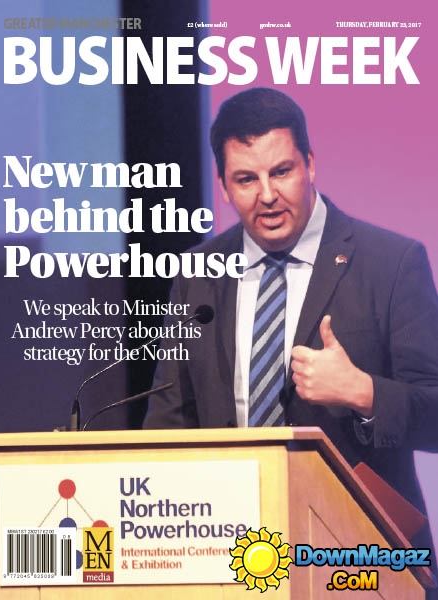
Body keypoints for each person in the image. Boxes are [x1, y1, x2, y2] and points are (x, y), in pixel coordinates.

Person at [144, 87, 438, 583]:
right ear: (223, 185)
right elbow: (168, 424)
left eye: (281, 171)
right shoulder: (199, 272)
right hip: (230, 554)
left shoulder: (391, 263)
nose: (266, 195)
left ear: (310, 165)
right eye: (246, 179)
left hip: (360, 558)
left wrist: (364, 393)